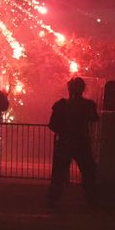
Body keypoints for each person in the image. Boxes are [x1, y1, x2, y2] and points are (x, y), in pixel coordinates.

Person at [47, 77, 99, 209]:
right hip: (81, 142)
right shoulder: (88, 105)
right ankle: (92, 199)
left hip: (65, 142)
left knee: (59, 173)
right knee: (88, 172)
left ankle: (52, 199)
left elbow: (53, 125)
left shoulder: (61, 105)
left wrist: (64, 131)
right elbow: (94, 118)